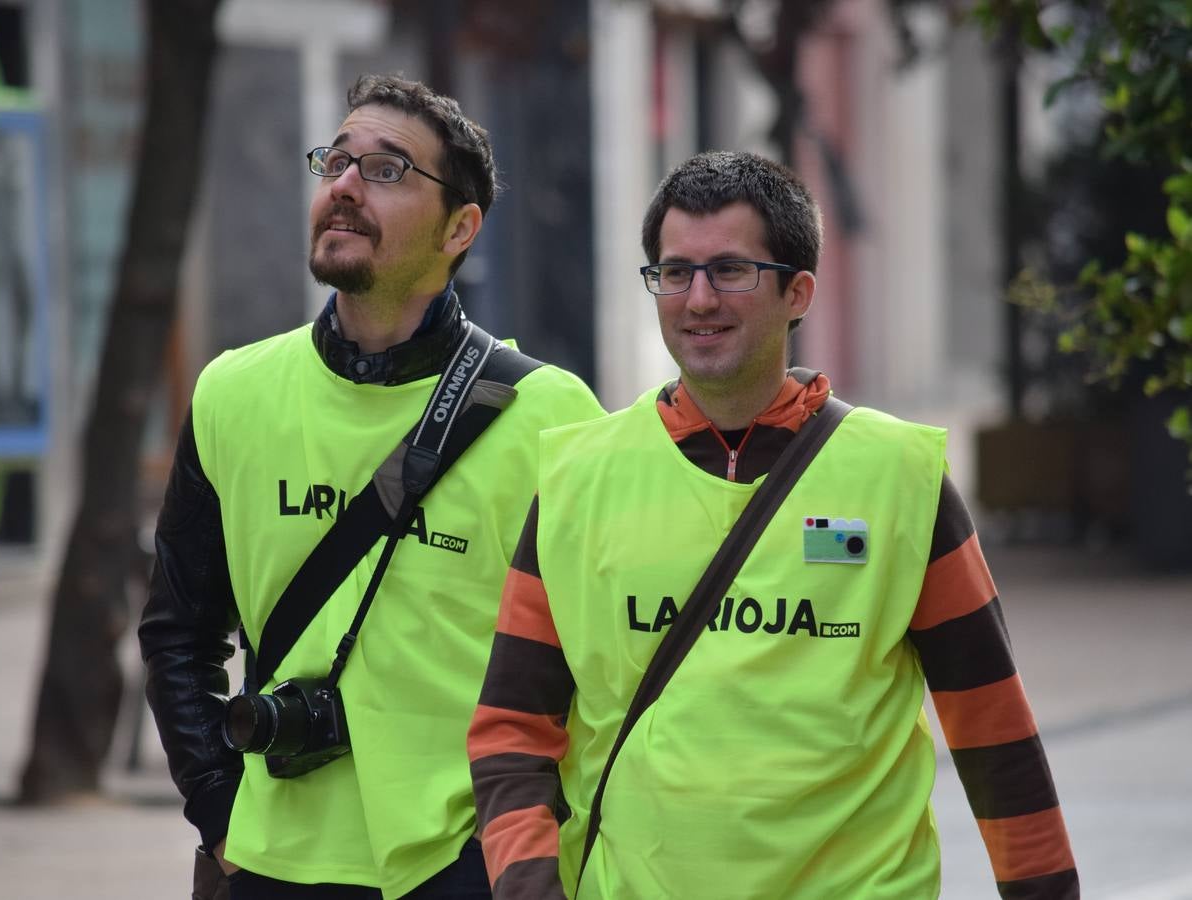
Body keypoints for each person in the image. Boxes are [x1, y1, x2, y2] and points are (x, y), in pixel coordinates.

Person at [467, 150, 1079, 899]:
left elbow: (995, 734)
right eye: (674, 272)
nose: (697, 300)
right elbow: (510, 732)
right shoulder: (575, 478)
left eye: (730, 271)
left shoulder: (899, 478)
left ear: (799, 292)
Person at [139, 74, 603, 900]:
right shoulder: (231, 394)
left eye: (387, 171)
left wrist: (529, 853)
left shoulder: (548, 415)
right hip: (270, 864)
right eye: (336, 163)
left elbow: (597, 667)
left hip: (467, 862)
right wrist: (219, 813)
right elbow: (180, 634)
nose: (346, 186)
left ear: (461, 227)